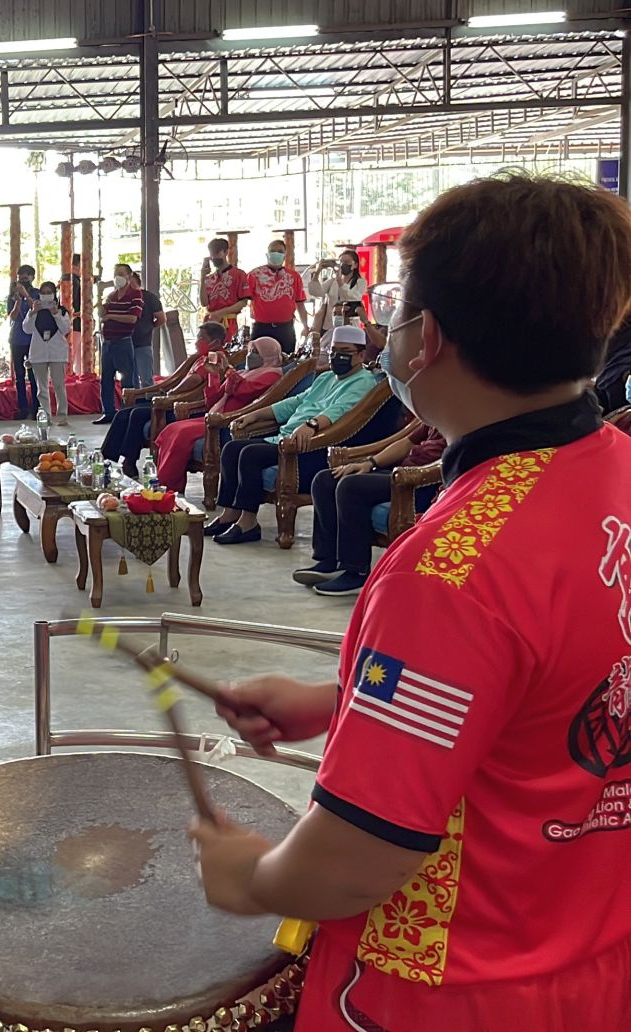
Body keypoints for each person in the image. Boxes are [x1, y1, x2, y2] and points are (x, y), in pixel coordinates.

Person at [191, 171, 631, 1032]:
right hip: (595, 950)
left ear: (424, 337)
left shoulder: (453, 570)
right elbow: (552, 688)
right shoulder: (616, 473)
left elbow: (358, 860)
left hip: (453, 988)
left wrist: (251, 876)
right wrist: (338, 701)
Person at [208, 325, 376, 544]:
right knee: (232, 448)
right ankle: (230, 514)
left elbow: (341, 411)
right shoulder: (327, 378)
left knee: (250, 454)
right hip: (285, 438)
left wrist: (312, 425)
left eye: (344, 352)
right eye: (333, 351)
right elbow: (296, 402)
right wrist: (256, 415)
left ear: (361, 354)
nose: (336, 357)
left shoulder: (363, 382)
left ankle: (248, 523)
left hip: (309, 445)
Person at [293, 412, 445, 598]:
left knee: (351, 487)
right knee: (325, 480)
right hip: (400, 472)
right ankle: (329, 559)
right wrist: (369, 463)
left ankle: (356, 572)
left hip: (422, 482)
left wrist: (412, 473)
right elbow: (408, 442)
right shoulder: (436, 410)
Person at [101, 321, 233, 478]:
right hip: (172, 400)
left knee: (136, 414)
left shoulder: (216, 357)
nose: (198, 341)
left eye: (201, 338)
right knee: (124, 413)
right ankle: (107, 457)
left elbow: (196, 380)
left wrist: (172, 393)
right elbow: (175, 378)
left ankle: (129, 461)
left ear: (216, 342)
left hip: (186, 407)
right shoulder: (199, 357)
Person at [153, 334, 284, 491]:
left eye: (255, 352)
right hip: (214, 415)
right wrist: (213, 375)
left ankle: (169, 488)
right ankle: (163, 484)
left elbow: (245, 391)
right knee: (171, 429)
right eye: (250, 350)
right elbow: (214, 399)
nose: (250, 355)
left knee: (181, 433)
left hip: (228, 420)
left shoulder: (273, 375)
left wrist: (228, 369)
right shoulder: (243, 372)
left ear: (267, 355)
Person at [93, 263, 143, 425]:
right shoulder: (112, 296)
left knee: (127, 380)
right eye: (116, 273)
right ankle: (108, 411)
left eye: (121, 273)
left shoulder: (135, 295)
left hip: (123, 342)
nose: (118, 277)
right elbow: (102, 313)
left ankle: (128, 412)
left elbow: (133, 318)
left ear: (129, 276)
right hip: (107, 342)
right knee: (106, 379)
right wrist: (99, 294)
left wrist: (111, 316)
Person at [20, 280, 70, 425]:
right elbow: (27, 329)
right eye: (43, 293)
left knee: (59, 385)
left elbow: (65, 329)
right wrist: (33, 312)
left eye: (49, 293)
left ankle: (62, 415)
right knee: (41, 387)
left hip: (57, 352)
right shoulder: (35, 311)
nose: (46, 296)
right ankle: (45, 415)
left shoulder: (62, 311)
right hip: (38, 352)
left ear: (54, 294)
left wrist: (56, 314)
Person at [246, 239, 308, 355]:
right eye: (272, 251)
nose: (276, 253)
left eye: (280, 251)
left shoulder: (294, 277)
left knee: (286, 362)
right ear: (267, 254)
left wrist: (305, 326)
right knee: (257, 363)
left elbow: (300, 303)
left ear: (285, 255)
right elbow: (244, 300)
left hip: (285, 329)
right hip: (261, 328)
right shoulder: (254, 275)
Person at [306, 248, 367, 340]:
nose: (343, 265)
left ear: (355, 265)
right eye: (341, 262)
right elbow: (316, 292)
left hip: (349, 326)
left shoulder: (361, 282)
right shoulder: (332, 282)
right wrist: (317, 272)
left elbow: (352, 297)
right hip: (330, 327)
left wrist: (339, 280)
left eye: (347, 262)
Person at [7, 263, 42, 418]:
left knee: (34, 375)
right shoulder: (13, 295)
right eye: (21, 275)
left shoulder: (37, 293)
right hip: (16, 339)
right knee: (20, 376)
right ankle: (22, 408)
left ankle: (36, 408)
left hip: (33, 339)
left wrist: (26, 295)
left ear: (32, 277)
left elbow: (38, 311)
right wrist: (17, 301)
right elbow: (12, 317)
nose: (24, 277)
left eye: (27, 275)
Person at [200, 237, 252, 338]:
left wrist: (220, 313)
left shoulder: (239, 274)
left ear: (226, 252)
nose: (214, 257)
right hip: (210, 322)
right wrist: (202, 278)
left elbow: (243, 302)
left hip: (228, 322)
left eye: (218, 253)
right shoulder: (209, 278)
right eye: (212, 253)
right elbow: (204, 303)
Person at [131, 271, 161, 389]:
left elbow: (161, 318)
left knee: (146, 378)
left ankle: (147, 404)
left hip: (143, 342)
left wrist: (149, 327)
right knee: (130, 378)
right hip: (125, 342)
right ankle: (133, 403)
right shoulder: (121, 297)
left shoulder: (149, 297)